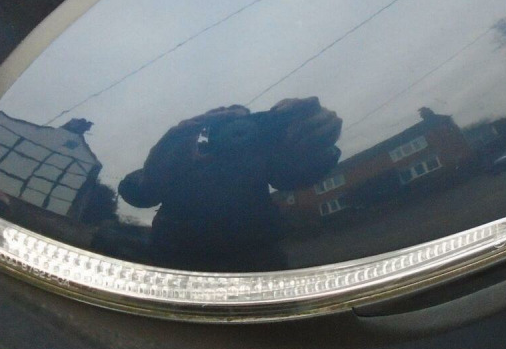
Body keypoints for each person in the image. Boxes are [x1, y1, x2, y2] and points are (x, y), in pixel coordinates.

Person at [118, 97, 341, 270]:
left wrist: (320, 139)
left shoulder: (262, 155)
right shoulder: (177, 158)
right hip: (177, 265)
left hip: (256, 264)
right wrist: (161, 157)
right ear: (201, 128)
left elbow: (296, 175)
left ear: (254, 127)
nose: (232, 132)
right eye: (218, 123)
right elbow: (137, 192)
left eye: (240, 124)